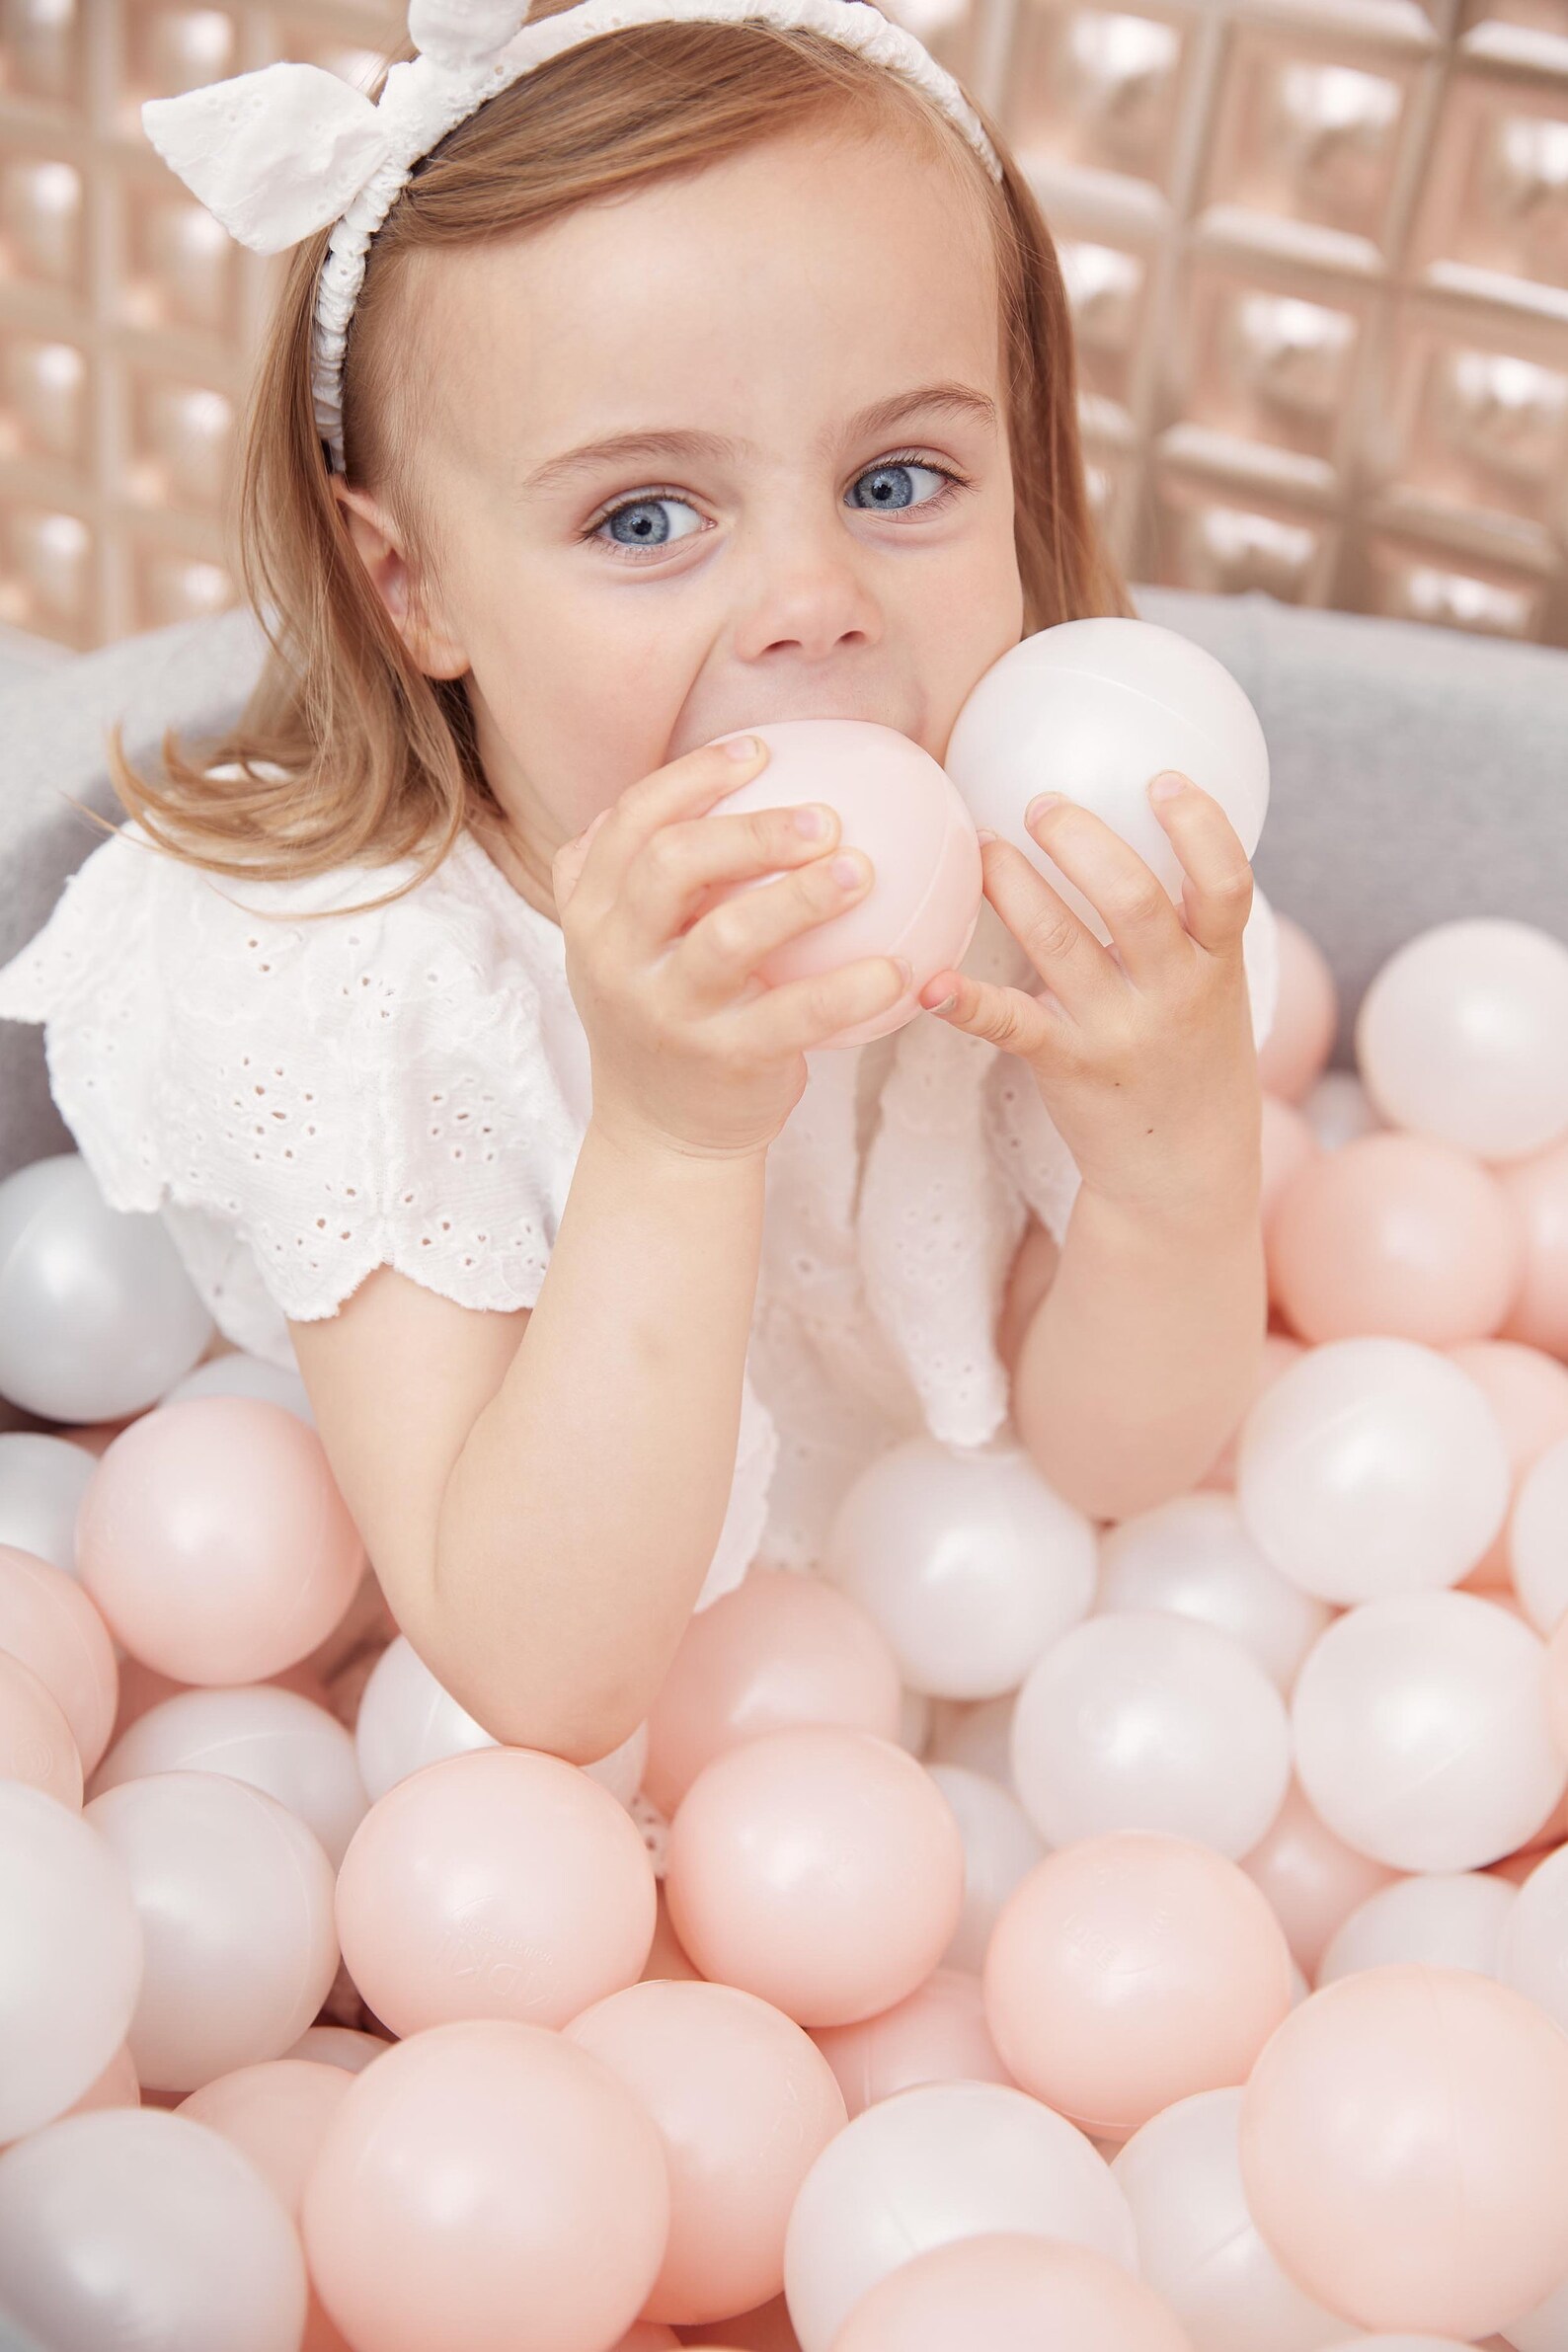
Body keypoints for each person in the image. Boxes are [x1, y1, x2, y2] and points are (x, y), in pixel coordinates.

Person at [0, 0, 1277, 1768]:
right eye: (647, 518)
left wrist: (1175, 1156)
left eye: (899, 479)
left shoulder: (1042, 883)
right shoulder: (367, 981)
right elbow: (544, 1670)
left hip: (948, 1690)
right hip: (502, 1769)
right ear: (411, 587)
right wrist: (674, 1134)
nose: (811, 597)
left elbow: (1119, 1462)